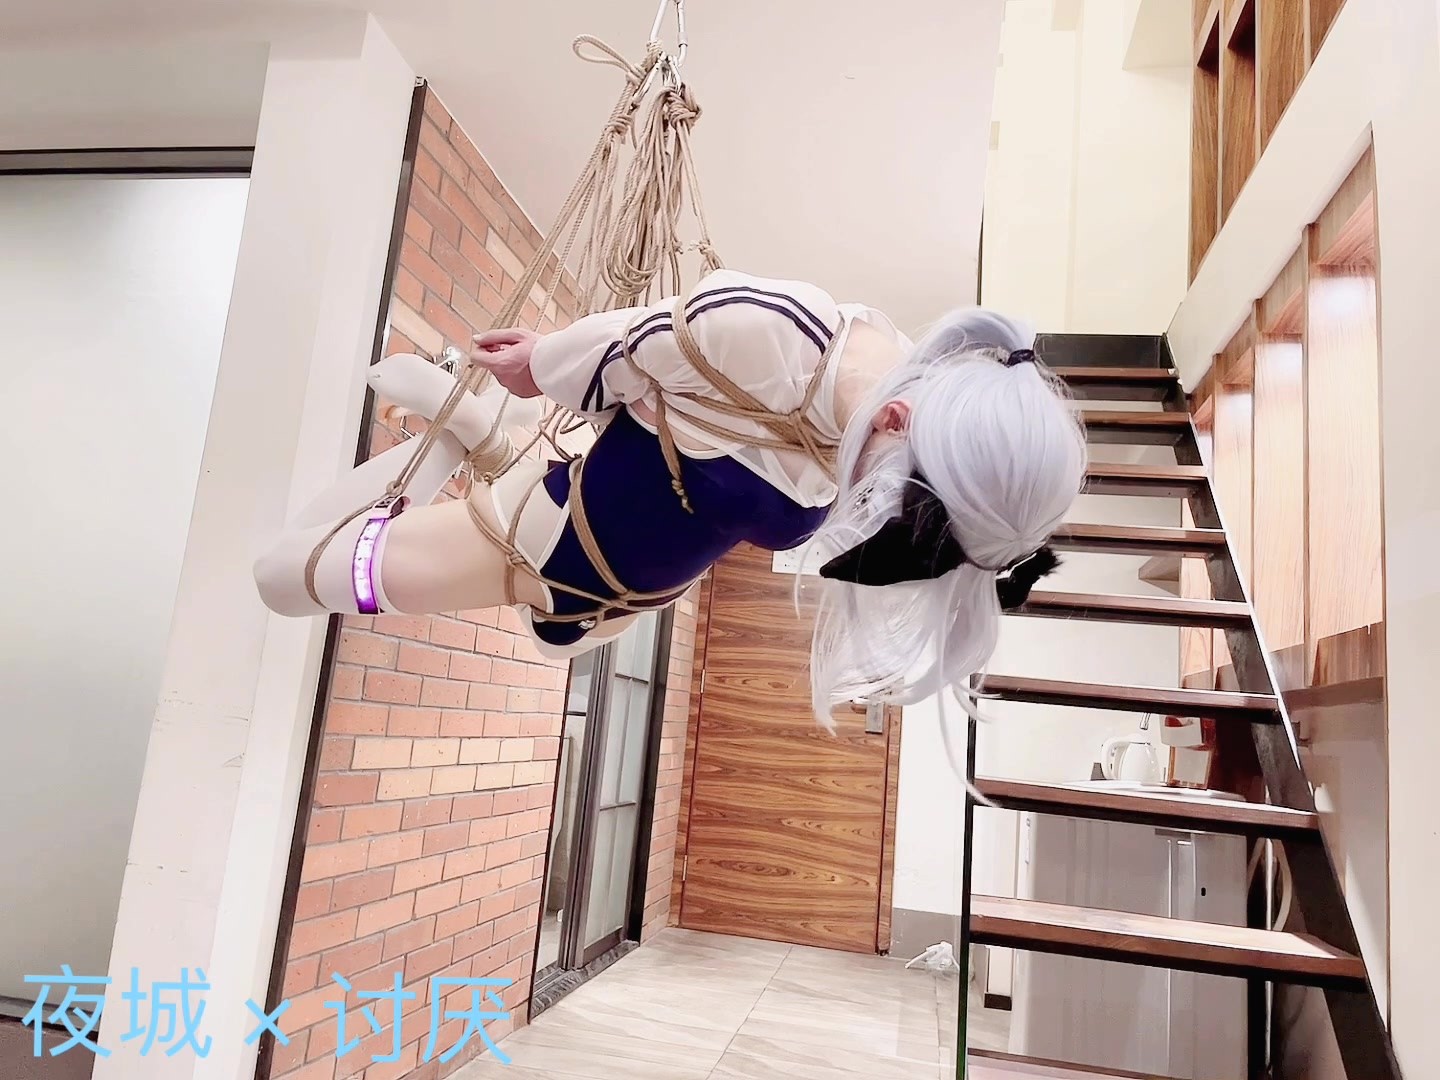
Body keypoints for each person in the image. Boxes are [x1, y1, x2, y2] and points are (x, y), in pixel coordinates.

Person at [253, 268, 1087, 726]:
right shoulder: (768, 335)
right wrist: (539, 364)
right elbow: (616, 352)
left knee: (550, 638)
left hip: (624, 603)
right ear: (899, 419)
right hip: (544, 541)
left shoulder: (894, 426)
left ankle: (488, 440)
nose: (862, 514)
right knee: (287, 579)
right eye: (879, 502)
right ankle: (447, 444)